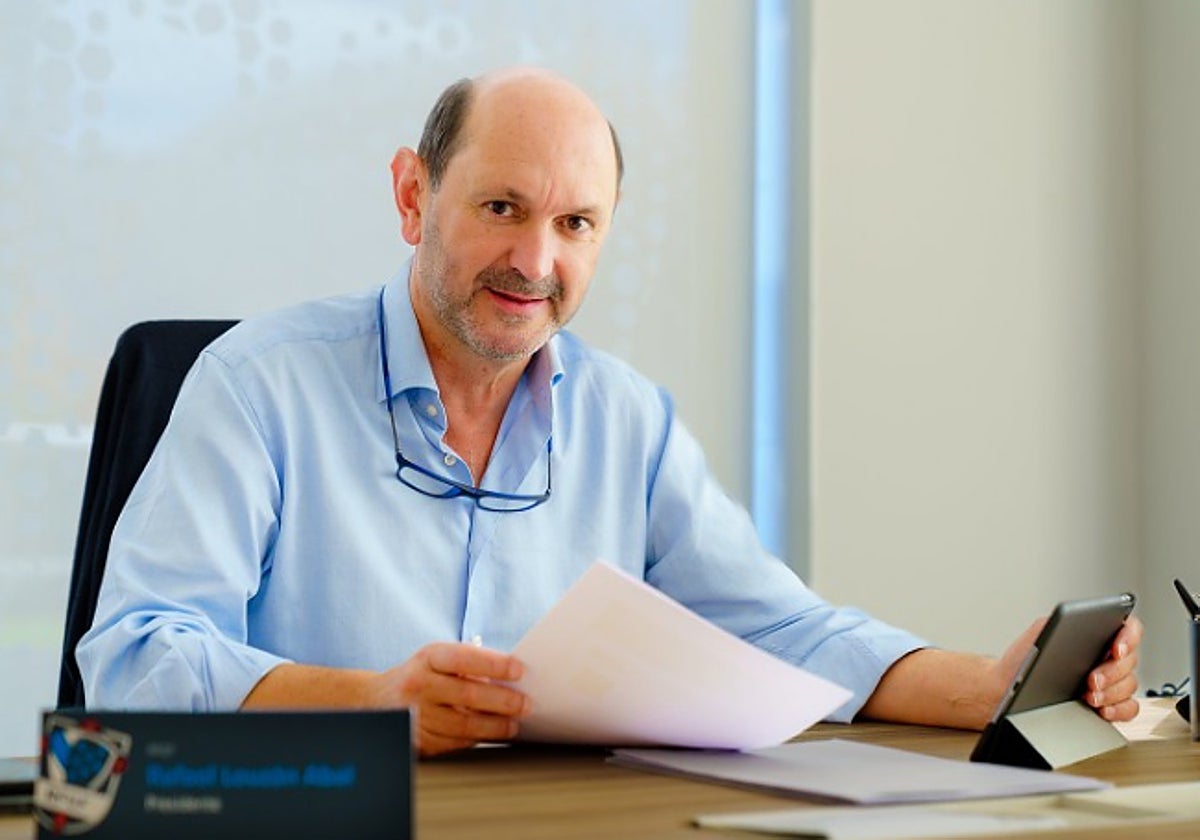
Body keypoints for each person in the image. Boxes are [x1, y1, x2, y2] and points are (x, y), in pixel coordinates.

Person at [78, 67, 1143, 758]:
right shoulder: (256, 383)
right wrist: (371, 700)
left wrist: (993, 686)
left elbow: (776, 627)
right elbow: (132, 658)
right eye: (502, 207)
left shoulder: (626, 420)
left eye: (576, 223)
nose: (535, 262)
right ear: (413, 196)